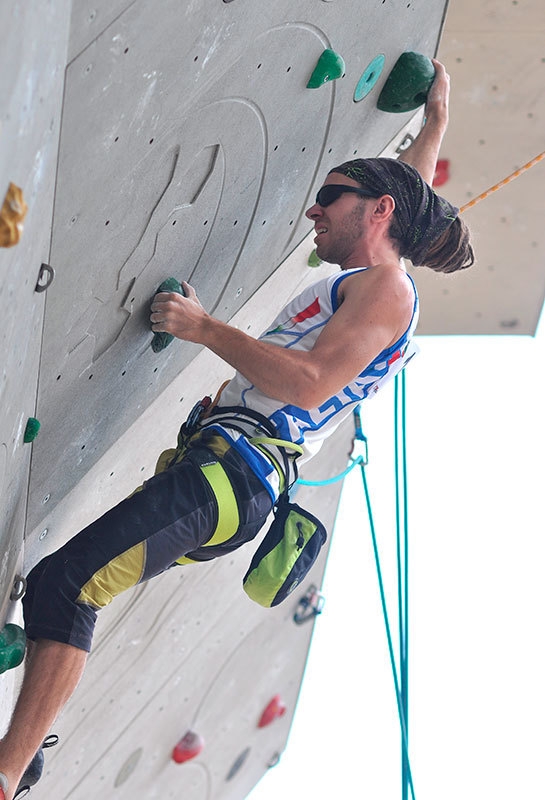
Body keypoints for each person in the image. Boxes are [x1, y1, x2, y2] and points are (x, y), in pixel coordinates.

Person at [0, 60, 473, 799]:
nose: (314, 211)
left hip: (234, 476)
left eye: (329, 198)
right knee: (67, 585)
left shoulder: (387, 289)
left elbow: (308, 382)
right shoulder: (377, 276)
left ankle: (5, 774)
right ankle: (18, 761)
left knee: (68, 586)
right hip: (227, 476)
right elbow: (396, 196)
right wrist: (435, 121)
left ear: (374, 212)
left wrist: (202, 327)